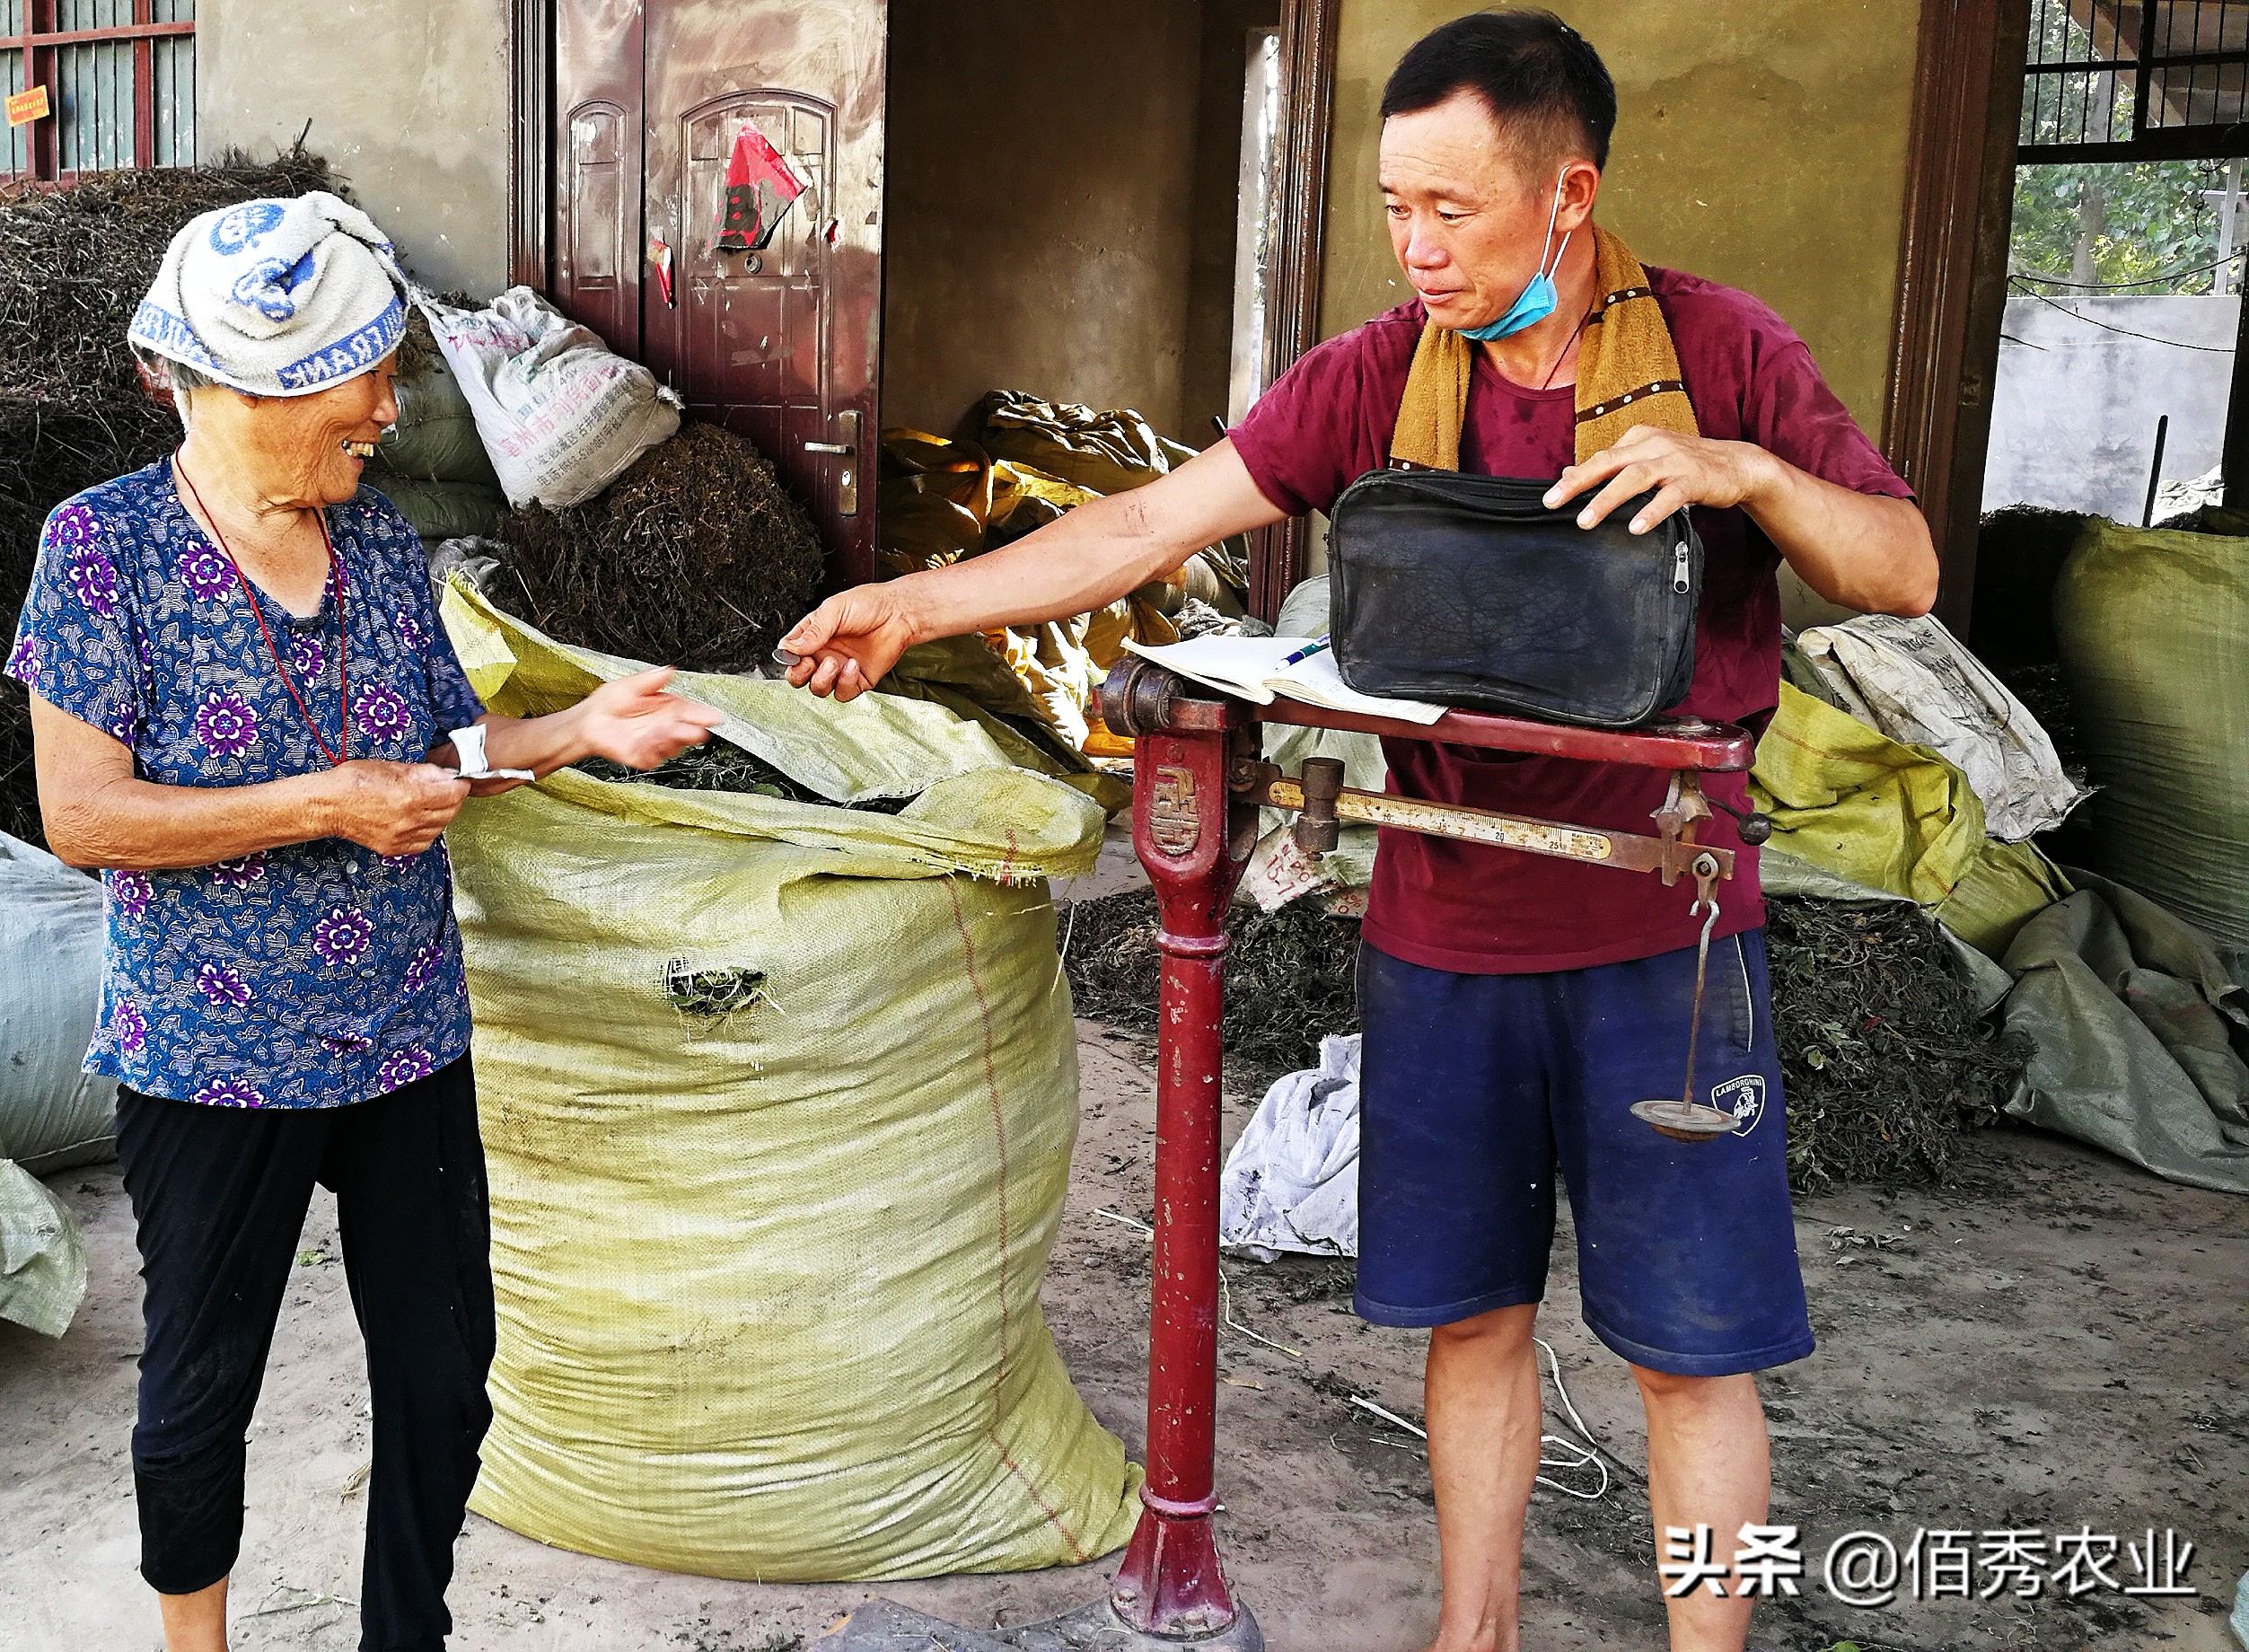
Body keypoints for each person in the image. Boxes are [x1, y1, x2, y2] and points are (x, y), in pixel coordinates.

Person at [781, 13, 1936, 1651]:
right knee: (1468, 1323)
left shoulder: (1724, 350)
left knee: (1691, 1352)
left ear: (1568, 191)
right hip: (1447, 928)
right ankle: (1476, 1635)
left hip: (1662, 939)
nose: (1415, 246)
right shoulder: (1385, 371)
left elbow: (1901, 567)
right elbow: (1151, 519)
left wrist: (1739, 468)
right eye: (1396, 206)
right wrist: (916, 598)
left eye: (1451, 209)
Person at [8, 193, 720, 1652]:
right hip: (213, 1052)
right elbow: (85, 818)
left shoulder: (385, 549)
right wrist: (325, 803)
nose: (391, 411)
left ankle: (409, 1637)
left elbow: (436, 757)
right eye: (369, 375)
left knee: (448, 1374)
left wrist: (579, 726)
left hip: (404, 1032)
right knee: (204, 1383)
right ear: (263, 385)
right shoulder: (104, 553)